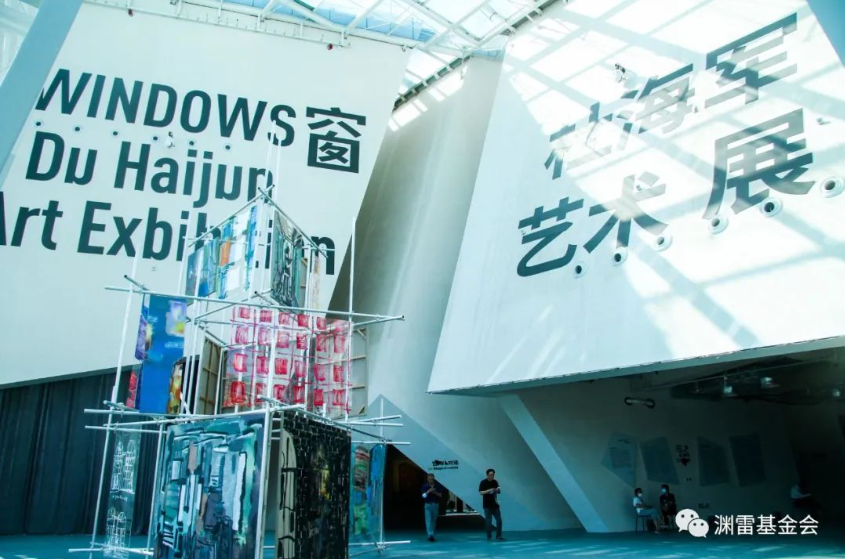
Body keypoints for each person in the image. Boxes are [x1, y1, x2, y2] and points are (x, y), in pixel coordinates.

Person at [479, 469, 504, 541]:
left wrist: (497, 490)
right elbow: (481, 492)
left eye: (493, 475)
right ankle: (489, 536)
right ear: (487, 475)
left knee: (499, 520)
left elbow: (498, 491)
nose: (491, 476)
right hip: (487, 505)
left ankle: (498, 536)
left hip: (495, 504)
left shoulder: (495, 482)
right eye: (490, 475)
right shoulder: (483, 482)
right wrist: (489, 490)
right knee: (488, 521)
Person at [421, 473, 445, 541]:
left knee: (434, 520)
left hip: (435, 504)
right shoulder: (425, 486)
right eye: (429, 479)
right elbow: (423, 496)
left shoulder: (437, 485)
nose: (431, 480)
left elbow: (440, 495)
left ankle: (432, 532)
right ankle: (430, 535)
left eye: (432, 479)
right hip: (427, 505)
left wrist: (435, 492)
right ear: (427, 479)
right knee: (428, 520)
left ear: (434, 479)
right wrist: (428, 491)